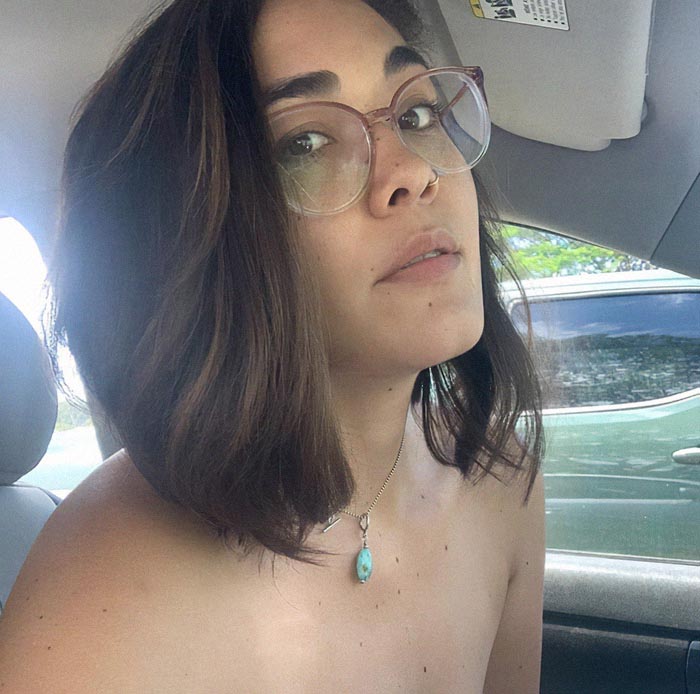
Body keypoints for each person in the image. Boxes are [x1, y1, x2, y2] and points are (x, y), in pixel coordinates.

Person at [0, 0, 546, 691]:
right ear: (193, 237)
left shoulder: (501, 480)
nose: (413, 171)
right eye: (306, 145)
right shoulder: (95, 602)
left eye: (416, 113)